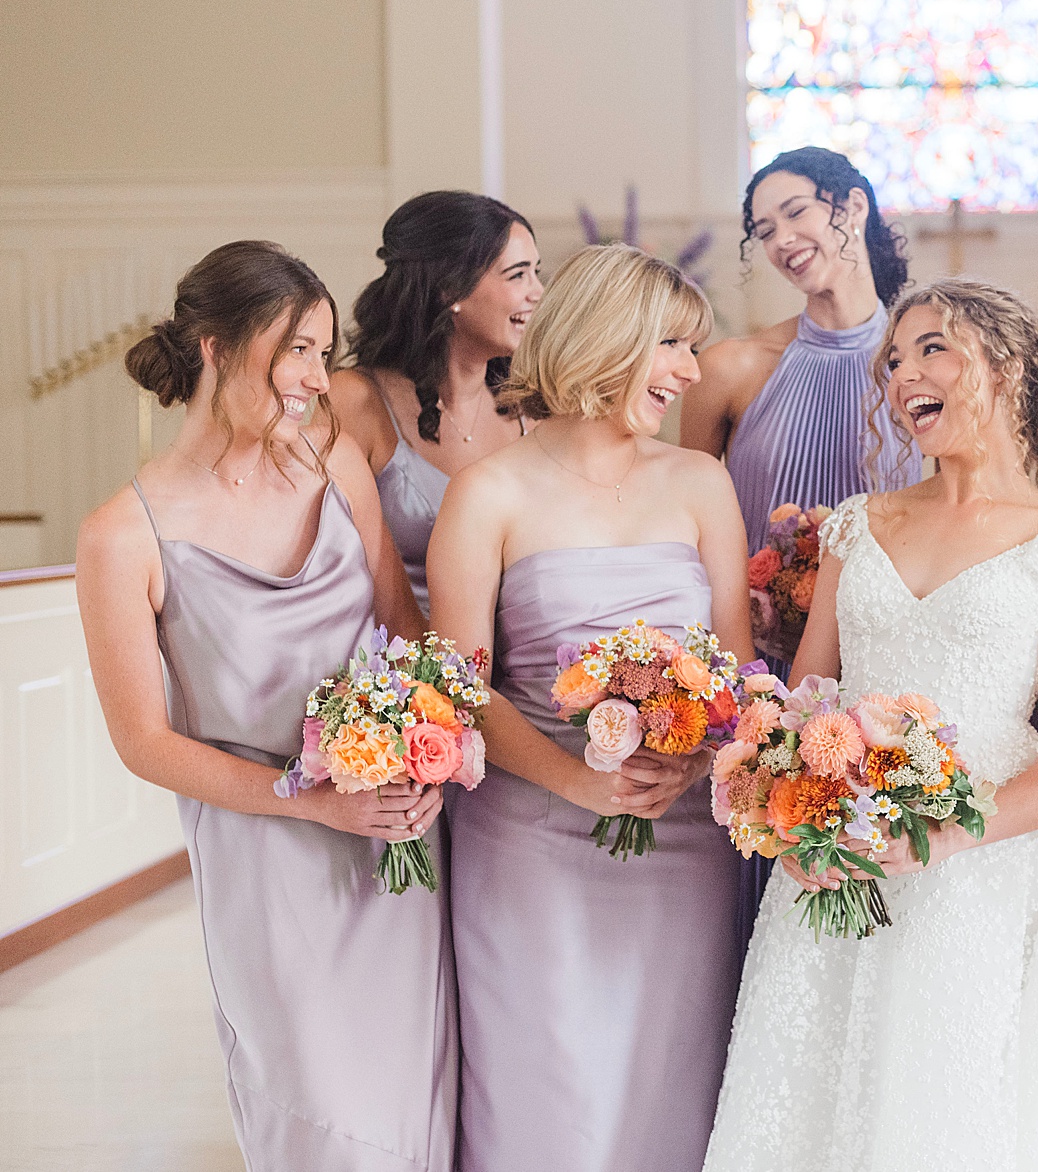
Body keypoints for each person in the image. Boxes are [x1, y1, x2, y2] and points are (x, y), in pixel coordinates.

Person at [702, 279, 1038, 1172]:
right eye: (896, 359)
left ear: (1007, 366)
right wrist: (784, 808)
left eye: (932, 349)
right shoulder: (857, 527)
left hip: (984, 852)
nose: (905, 373)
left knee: (950, 1093)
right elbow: (807, 695)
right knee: (816, 1085)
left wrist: (945, 839)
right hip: (837, 842)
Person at [76, 241, 452, 1169]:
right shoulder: (122, 535)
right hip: (266, 855)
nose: (317, 381)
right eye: (297, 351)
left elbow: (404, 638)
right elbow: (144, 742)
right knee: (315, 1104)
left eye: (325, 354)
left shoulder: (336, 469)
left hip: (394, 844)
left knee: (413, 1100)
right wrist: (319, 799)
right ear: (213, 345)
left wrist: (434, 757)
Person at [427, 245, 751, 1172]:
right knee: (550, 1078)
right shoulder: (487, 491)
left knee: (674, 1074)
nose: (691, 372)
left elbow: (735, 667)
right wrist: (577, 779)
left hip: (681, 829)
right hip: (530, 835)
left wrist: (691, 762)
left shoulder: (699, 482)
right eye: (675, 346)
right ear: (610, 339)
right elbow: (460, 686)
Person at [680, 146, 922, 554]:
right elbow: (686, 521)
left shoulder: (924, 368)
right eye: (766, 231)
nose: (783, 241)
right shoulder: (729, 368)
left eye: (795, 212)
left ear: (853, 207)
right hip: (754, 616)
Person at [327, 190, 541, 617]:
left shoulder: (532, 410)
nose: (537, 291)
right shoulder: (355, 400)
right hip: (400, 670)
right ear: (449, 288)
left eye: (537, 272)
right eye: (517, 275)